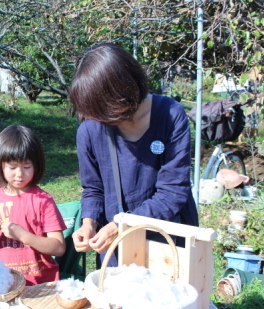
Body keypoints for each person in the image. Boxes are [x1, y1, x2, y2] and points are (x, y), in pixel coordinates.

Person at [68, 43, 198, 266]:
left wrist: (123, 225)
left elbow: (173, 192)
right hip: (115, 244)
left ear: (121, 95)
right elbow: (93, 188)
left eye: (101, 110)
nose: (95, 119)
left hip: (165, 238)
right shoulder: (90, 128)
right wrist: (89, 222)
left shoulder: (170, 115)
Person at [0, 125, 67, 285]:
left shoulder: (43, 200)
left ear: (37, 165)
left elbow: (58, 247)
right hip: (3, 285)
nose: (19, 174)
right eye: (12, 167)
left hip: (41, 285)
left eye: (27, 167)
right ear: (0, 165)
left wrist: (23, 236)